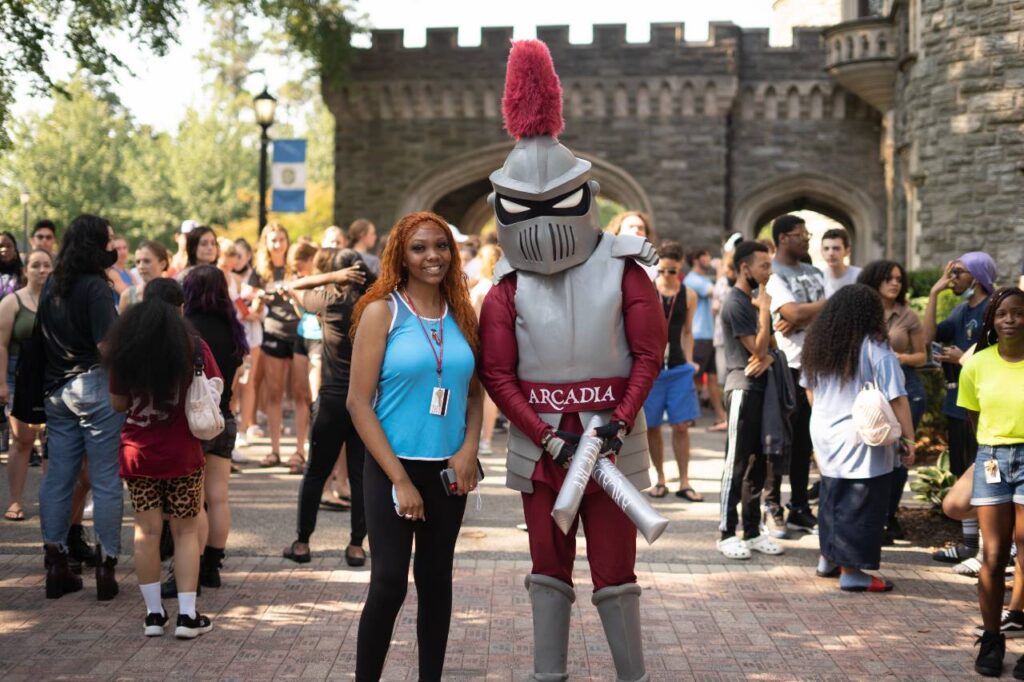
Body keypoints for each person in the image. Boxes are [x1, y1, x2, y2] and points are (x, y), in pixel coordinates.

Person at [479, 40, 666, 682]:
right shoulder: (505, 284)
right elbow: (498, 374)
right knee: (545, 567)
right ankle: (546, 674)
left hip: (611, 439)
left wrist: (617, 418)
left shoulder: (624, 265)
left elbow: (649, 353)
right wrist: (543, 435)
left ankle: (631, 676)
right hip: (544, 446)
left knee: (618, 572)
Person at [348, 211, 482, 682]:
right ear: (400, 256)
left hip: (448, 470)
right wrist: (401, 481)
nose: (432, 257)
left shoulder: (463, 313)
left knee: (435, 581)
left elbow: (474, 394)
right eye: (420, 248)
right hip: (392, 468)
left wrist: (469, 450)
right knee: (387, 584)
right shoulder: (382, 311)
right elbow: (358, 403)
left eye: (440, 246)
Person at [104, 283, 220, 639]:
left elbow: (118, 404)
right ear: (180, 308)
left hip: (138, 454)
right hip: (183, 453)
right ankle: (187, 616)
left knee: (146, 531)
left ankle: (154, 615)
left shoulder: (128, 346)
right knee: (185, 531)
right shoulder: (194, 346)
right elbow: (215, 386)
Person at [801, 284, 915, 592]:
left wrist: (826, 419)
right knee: (860, 501)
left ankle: (828, 557)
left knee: (831, 496)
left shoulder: (821, 344)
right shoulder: (876, 348)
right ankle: (852, 572)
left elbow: (809, 388)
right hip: (863, 434)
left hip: (824, 430)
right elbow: (898, 398)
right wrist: (910, 439)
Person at [36, 214, 126, 600]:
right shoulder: (96, 288)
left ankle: (56, 563)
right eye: (108, 240)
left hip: (56, 391)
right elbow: (108, 346)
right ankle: (106, 567)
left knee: (59, 478)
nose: (112, 247)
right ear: (95, 244)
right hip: (94, 386)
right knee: (105, 479)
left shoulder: (52, 284)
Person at [281, 249, 374, 568]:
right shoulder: (374, 301)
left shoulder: (329, 299)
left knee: (316, 472)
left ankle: (303, 542)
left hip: (332, 398)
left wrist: (332, 277)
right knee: (361, 475)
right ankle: (356, 546)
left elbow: (295, 285)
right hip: (365, 401)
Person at [955, 287, 1024, 676]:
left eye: (1018, 313)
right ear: (992, 322)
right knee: (994, 556)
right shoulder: (977, 364)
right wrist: (986, 459)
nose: (1010, 320)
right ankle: (993, 639)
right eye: (1002, 314)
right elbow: (974, 421)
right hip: (992, 459)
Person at [924, 251, 996, 571]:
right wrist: (933, 293)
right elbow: (927, 338)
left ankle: (989, 549)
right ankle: (969, 546)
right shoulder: (960, 310)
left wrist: (960, 359)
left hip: (980, 406)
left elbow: (991, 353)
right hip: (956, 402)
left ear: (977, 278)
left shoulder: (992, 310)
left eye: (958, 273)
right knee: (961, 473)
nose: (953, 279)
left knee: (983, 477)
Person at [717, 241, 785, 560]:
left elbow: (770, 346)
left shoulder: (753, 299)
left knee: (758, 462)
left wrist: (768, 353)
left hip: (761, 389)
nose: (768, 272)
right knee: (737, 462)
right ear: (746, 268)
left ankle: (753, 531)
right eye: (764, 266)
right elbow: (758, 351)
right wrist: (763, 309)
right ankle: (727, 532)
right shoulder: (737, 302)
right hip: (742, 387)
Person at [183, 266, 247, 590]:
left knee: (195, 501)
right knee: (219, 496)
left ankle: (189, 568)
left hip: (194, 423)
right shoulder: (234, 328)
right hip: (224, 418)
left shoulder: (187, 329)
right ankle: (213, 565)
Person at [763, 214, 827, 537]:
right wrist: (814, 309)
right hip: (786, 365)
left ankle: (799, 507)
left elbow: (806, 314)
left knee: (805, 439)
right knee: (779, 440)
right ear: (784, 237)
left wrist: (804, 313)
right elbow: (792, 314)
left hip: (815, 366)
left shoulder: (814, 272)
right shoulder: (772, 273)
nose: (807, 239)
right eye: (802, 234)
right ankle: (771, 504)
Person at [857, 260, 926, 543]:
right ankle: (870, 517)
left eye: (899, 278)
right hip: (870, 393)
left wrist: (898, 358)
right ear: (875, 281)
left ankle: (890, 515)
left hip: (904, 387)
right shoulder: (861, 313)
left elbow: (922, 356)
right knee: (870, 454)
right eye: (888, 278)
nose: (895, 283)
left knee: (900, 457)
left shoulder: (908, 316)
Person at [643, 240, 701, 501]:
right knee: (652, 425)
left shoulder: (688, 294)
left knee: (681, 426)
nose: (667, 276)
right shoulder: (647, 290)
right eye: (663, 270)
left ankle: (685, 481)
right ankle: (660, 478)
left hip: (678, 367)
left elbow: (688, 331)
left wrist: (689, 360)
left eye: (673, 271)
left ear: (680, 269)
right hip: (651, 369)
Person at [0, 249, 53, 521]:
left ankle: (49, 502)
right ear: (26, 270)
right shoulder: (12, 302)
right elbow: (1, 344)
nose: (41, 270)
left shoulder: (58, 302)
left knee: (51, 442)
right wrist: (1, 384)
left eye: (46, 265)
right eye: (35, 265)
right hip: (17, 377)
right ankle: (15, 501)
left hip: (51, 378)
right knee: (22, 441)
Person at [253, 223, 308, 472]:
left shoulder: (294, 266)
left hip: (298, 332)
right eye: (273, 240)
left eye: (281, 239)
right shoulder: (260, 271)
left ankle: (299, 450)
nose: (278, 244)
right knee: (274, 393)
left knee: (300, 393)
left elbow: (307, 299)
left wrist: (292, 294)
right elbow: (252, 303)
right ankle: (274, 449)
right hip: (273, 331)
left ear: (287, 241)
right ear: (266, 242)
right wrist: (258, 298)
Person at [684, 247, 728, 430]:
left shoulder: (701, 279)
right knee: (693, 376)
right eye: (705, 256)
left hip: (709, 335)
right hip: (699, 334)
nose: (709, 259)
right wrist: (720, 271)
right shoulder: (692, 279)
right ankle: (687, 415)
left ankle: (721, 416)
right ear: (696, 259)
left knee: (712, 377)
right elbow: (717, 292)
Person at [231, 238, 264, 449]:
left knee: (248, 381)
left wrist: (254, 311)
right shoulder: (226, 277)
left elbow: (262, 304)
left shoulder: (256, 277)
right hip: (233, 335)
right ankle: (232, 424)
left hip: (251, 337)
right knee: (232, 384)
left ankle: (243, 429)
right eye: (233, 256)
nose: (236, 260)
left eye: (240, 256)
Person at [469, 243, 502, 455]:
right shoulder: (501, 287)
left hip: (480, 342)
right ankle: (487, 439)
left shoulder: (480, 288)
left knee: (478, 392)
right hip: (499, 343)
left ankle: (477, 436)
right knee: (492, 394)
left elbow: (472, 319)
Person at [119, 241, 169, 313]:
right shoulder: (127, 296)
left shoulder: (173, 292)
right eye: (138, 262)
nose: (141, 266)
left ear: (162, 264)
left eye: (147, 261)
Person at [607, 211, 658, 279]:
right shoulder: (605, 257)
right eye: (631, 226)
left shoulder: (653, 265)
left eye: (640, 228)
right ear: (618, 231)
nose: (636, 230)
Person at [820, 227, 861, 297]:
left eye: (836, 248)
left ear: (847, 251)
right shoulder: (819, 279)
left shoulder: (859, 276)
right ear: (821, 251)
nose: (831, 253)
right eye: (826, 249)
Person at [0, 231, 24, 299]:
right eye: (1, 246)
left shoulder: (24, 275)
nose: (4, 249)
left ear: (15, 251)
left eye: (9, 246)